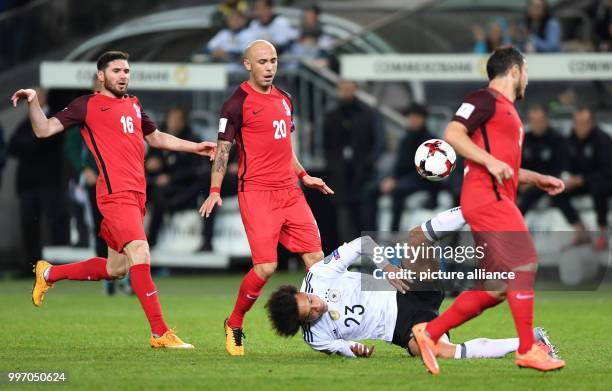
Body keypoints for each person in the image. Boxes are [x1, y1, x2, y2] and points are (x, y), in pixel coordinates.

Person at [11, 51, 216, 348]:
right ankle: (160, 332)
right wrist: (32, 102)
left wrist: (195, 147)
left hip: (136, 194)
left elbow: (157, 138)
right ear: (101, 76)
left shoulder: (134, 105)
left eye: (127, 71)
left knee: (115, 269)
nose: (123, 76)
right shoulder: (86, 105)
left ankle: (50, 273)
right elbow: (43, 130)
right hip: (114, 194)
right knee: (141, 253)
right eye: (117, 70)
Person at [411, 47, 566, 374]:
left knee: (495, 287)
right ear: (515, 71)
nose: (527, 79)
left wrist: (536, 178)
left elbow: (504, 167)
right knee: (524, 263)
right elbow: (453, 133)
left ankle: (431, 332)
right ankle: (527, 349)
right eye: (526, 71)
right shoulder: (485, 99)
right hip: (487, 199)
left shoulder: (507, 112)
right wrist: (490, 161)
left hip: (493, 198)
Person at [265, 209, 560, 360]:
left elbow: (362, 243)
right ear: (303, 323)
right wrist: (358, 350)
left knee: (416, 237)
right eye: (312, 313)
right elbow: (344, 347)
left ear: (299, 290)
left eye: (310, 300)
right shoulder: (315, 339)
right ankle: (532, 341)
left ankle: (476, 211)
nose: (318, 305)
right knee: (437, 353)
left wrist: (388, 267)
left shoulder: (319, 275)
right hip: (402, 329)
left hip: (405, 286)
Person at [199, 40, 333, 356]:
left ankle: (327, 328)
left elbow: (285, 149)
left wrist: (304, 176)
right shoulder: (236, 104)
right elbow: (222, 151)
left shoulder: (285, 99)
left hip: (290, 191)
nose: (269, 66)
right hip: (257, 193)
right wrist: (215, 190)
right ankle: (234, 323)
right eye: (262, 61)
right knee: (266, 267)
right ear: (247, 64)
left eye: (273, 60)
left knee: (318, 262)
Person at [8, 87, 70, 278]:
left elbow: (43, 141)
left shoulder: (55, 119)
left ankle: (58, 269)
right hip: (28, 185)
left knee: (55, 224)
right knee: (29, 227)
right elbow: (13, 145)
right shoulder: (26, 122)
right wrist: (32, 143)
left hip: (49, 184)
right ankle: (31, 267)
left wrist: (30, 144)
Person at [365, 103, 439, 232]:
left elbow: (427, 170)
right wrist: (391, 179)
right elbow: (399, 165)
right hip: (402, 179)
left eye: (416, 117)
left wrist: (396, 182)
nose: (413, 120)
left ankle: (395, 232)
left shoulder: (430, 141)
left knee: (397, 190)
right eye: (410, 117)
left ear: (423, 119)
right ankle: (372, 234)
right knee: (369, 191)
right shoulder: (405, 138)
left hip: (423, 181)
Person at [323, 80, 383, 240]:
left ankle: (371, 257)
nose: (346, 91)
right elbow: (326, 145)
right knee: (345, 216)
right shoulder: (332, 116)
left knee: (367, 215)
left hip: (364, 174)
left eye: (349, 88)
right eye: (343, 88)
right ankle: (348, 256)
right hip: (341, 176)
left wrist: (369, 162)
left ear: (356, 89)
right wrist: (333, 166)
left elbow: (378, 141)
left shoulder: (368, 113)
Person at [562, 107, 612, 251]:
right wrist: (567, 178)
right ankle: (580, 230)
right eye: (577, 122)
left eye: (584, 122)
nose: (580, 126)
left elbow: (607, 171)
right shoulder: (570, 140)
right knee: (557, 190)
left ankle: (602, 232)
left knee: (599, 187)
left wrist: (582, 179)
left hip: (603, 181)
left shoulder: (602, 139)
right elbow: (565, 164)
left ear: (592, 123)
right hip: (580, 182)